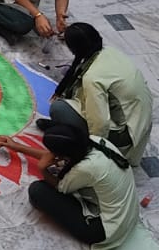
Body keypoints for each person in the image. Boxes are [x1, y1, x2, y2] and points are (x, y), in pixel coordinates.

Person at [0, 123, 159, 250]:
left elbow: (59, 186)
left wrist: (43, 168)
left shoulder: (86, 168)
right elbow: (53, 157)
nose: (52, 155)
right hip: (127, 216)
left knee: (38, 191)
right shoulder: (95, 141)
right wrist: (18, 147)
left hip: (103, 231)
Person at [42, 23, 152, 163]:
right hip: (139, 122)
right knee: (72, 81)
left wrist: (95, 155)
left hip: (124, 135)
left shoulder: (92, 78)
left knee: (59, 108)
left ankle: (78, 139)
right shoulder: (110, 52)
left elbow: (99, 124)